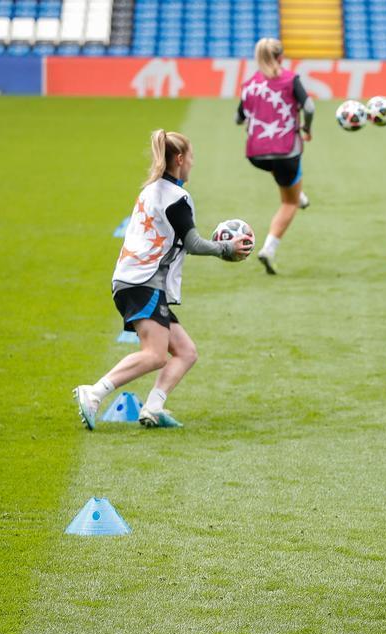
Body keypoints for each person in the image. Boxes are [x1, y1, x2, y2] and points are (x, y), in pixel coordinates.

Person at [73, 130, 253, 429]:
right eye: (191, 157)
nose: (193, 163)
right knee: (155, 355)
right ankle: (93, 393)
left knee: (186, 352)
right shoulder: (176, 198)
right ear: (180, 159)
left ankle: (154, 407)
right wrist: (226, 248)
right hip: (145, 282)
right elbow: (193, 243)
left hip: (131, 279)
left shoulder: (151, 189)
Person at [237, 37, 315, 275]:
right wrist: (307, 128)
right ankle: (268, 249)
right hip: (285, 151)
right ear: (281, 57)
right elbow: (309, 107)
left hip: (256, 154)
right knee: (288, 201)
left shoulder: (249, 83)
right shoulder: (291, 79)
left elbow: (239, 117)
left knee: (282, 172)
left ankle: (298, 193)